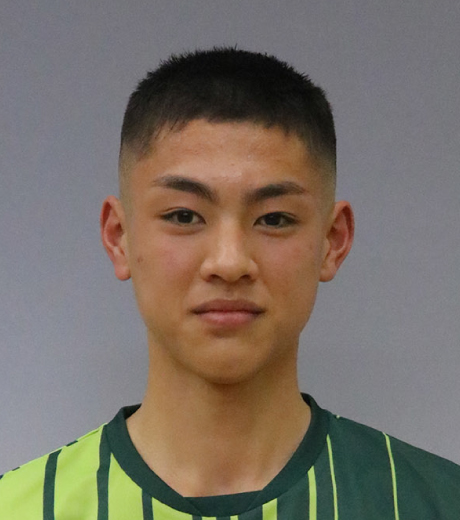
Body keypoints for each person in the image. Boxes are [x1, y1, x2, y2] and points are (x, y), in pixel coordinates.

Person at [1, 47, 459, 520]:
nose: (229, 262)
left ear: (333, 241)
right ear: (119, 236)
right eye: (184, 216)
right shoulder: (18, 508)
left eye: (274, 219)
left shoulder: (438, 503)